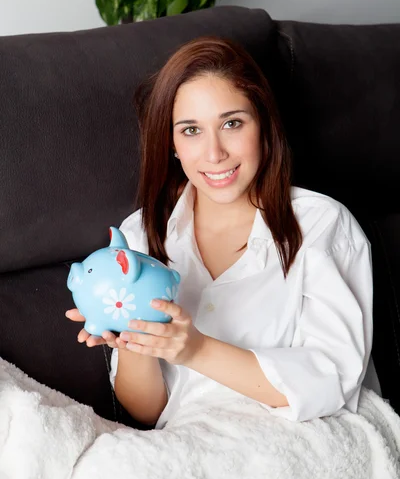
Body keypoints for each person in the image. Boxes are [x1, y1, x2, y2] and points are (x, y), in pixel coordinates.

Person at [66, 36, 373, 430]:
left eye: (231, 123)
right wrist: (133, 339)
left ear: (263, 126)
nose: (214, 154)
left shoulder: (322, 226)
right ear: (172, 143)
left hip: (304, 436)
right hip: (185, 446)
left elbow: (332, 381)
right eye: (191, 130)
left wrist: (197, 350)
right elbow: (147, 414)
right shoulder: (139, 237)